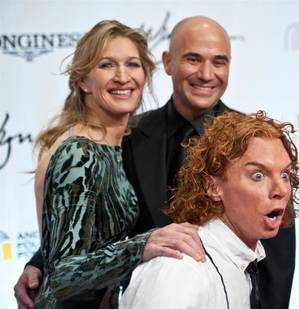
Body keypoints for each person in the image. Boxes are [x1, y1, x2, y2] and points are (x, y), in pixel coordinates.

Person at [15, 16, 296, 308]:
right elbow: (89, 215)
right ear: (168, 63)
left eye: (219, 61)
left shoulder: (255, 141)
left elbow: (276, 250)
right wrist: (41, 262)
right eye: (193, 59)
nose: (206, 74)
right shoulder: (128, 135)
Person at [18, 20, 203, 309]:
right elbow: (62, 274)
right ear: (82, 80)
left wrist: (37, 260)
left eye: (132, 64)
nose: (122, 76)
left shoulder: (116, 141)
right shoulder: (80, 153)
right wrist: (141, 246)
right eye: (106, 65)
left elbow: (71, 236)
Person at [120, 111, 299, 308]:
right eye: (258, 175)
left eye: (285, 175)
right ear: (213, 187)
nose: (281, 190)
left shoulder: (241, 265)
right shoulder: (180, 272)